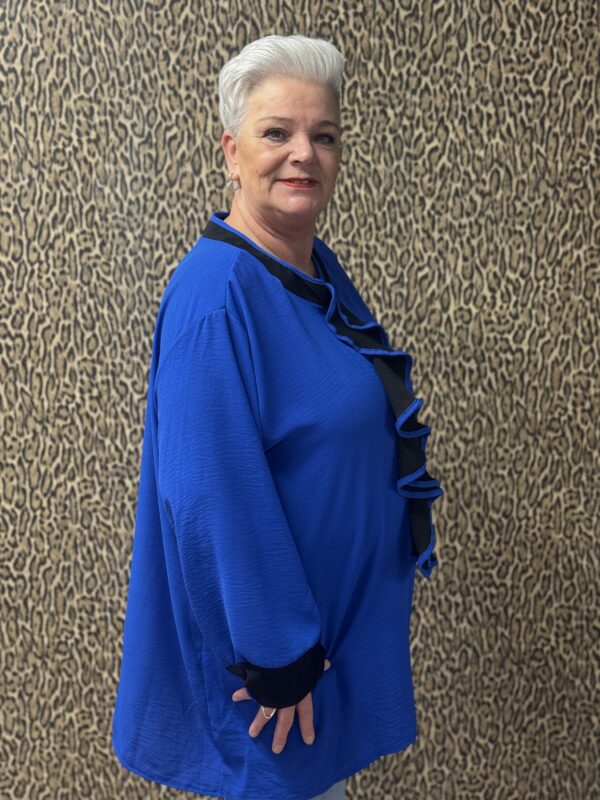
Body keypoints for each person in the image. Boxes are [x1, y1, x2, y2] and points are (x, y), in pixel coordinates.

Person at [111, 34, 443, 800]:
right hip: (273, 689)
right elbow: (209, 493)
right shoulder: (214, 295)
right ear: (231, 152)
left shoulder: (308, 265)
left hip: (320, 655)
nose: (304, 154)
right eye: (277, 133)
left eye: (323, 135)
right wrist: (279, 657)